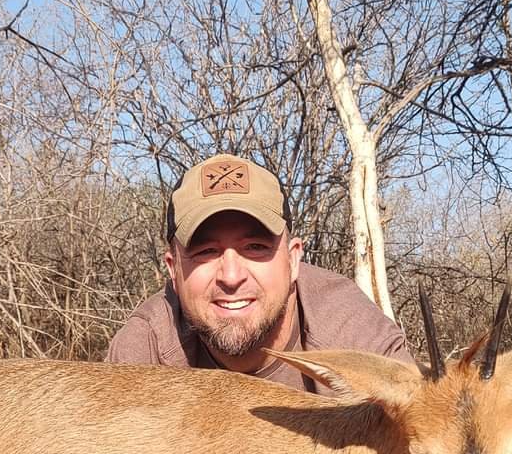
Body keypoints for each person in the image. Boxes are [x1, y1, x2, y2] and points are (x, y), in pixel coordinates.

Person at [105, 154, 412, 394]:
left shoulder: (352, 332)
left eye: (255, 247)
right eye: (206, 251)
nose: (231, 275)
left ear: (292, 260)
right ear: (173, 270)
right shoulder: (145, 348)